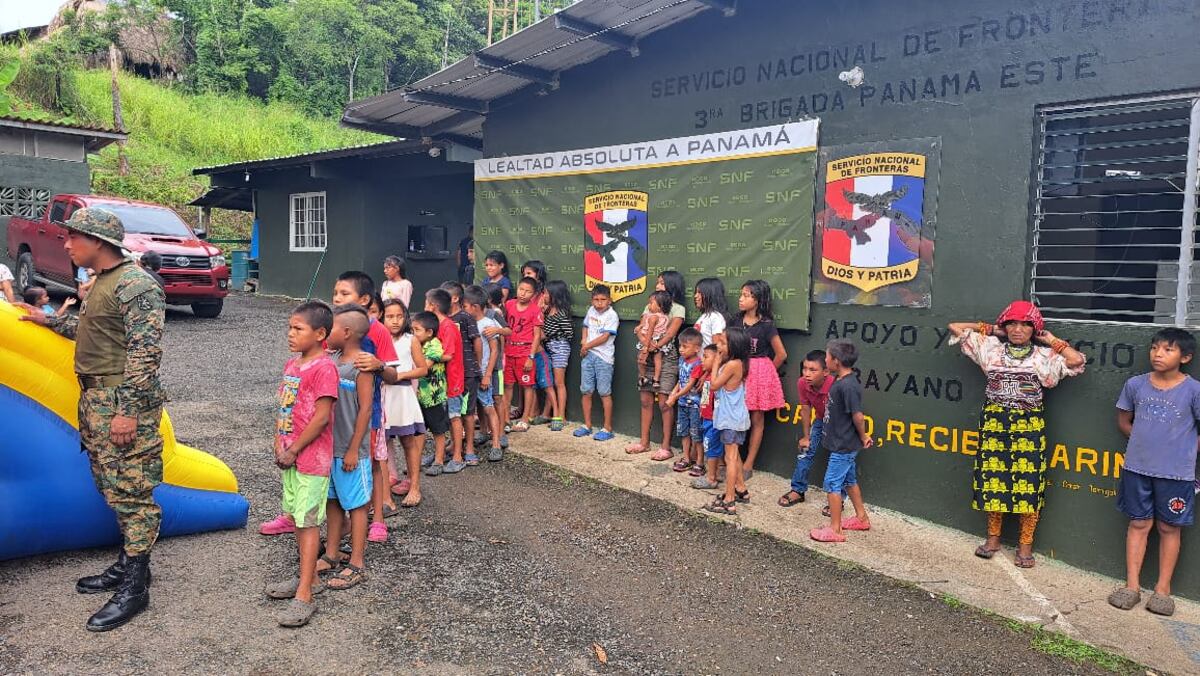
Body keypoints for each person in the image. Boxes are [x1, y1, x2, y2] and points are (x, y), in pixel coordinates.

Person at [17, 207, 166, 631]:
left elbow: (145, 354)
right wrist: (49, 321)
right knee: (111, 483)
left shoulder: (136, 285)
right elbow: (93, 332)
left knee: (132, 490)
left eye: (72, 238)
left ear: (98, 241)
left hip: (120, 401)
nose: (65, 244)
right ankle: (128, 564)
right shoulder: (101, 282)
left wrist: (127, 412)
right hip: (96, 398)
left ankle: (136, 586)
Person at [947, 301, 1085, 567]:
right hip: (995, 425)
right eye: (1012, 324)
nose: (1018, 329)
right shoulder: (990, 350)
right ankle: (993, 540)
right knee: (993, 482)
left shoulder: (1044, 357)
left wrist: (1052, 339)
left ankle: (1025, 548)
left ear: (1034, 329)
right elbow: (955, 327)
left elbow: (1076, 360)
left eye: (1025, 325)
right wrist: (992, 330)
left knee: (1028, 487)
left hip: (1028, 428)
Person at [1108, 328, 1200, 617]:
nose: (1158, 354)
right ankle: (1131, 587)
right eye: (1155, 348)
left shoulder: (1194, 390)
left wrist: (1183, 453)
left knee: (1169, 528)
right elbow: (1124, 421)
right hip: (1137, 469)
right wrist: (1144, 444)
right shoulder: (1135, 384)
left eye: (1168, 350)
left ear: (1185, 357)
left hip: (1176, 475)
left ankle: (1163, 591)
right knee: (1138, 524)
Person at [263, 301, 338, 627]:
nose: (290, 334)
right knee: (296, 517)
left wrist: (294, 449)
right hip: (290, 457)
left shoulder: (325, 368)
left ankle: (305, 593)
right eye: (290, 327)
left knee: (308, 523)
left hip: (311, 460)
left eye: (298, 328)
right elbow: (284, 408)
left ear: (320, 334)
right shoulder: (293, 365)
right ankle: (310, 579)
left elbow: (321, 418)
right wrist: (278, 443)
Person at [320, 305, 375, 592]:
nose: (325, 333)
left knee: (356, 505)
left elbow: (365, 410)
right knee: (332, 501)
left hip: (351, 451)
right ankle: (331, 553)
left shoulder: (361, 366)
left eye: (330, 328)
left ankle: (356, 563)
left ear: (347, 333)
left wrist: (354, 449)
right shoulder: (331, 360)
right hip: (328, 449)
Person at [809, 340, 873, 543]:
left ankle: (835, 530)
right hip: (841, 444)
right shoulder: (840, 381)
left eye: (827, 357)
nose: (825, 359)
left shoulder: (849, 387)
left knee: (832, 483)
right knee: (849, 480)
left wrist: (863, 436)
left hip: (844, 446)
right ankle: (862, 518)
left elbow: (858, 416)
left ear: (836, 361)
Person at [627, 271, 687, 460]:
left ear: (672, 285)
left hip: (667, 358)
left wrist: (654, 346)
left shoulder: (678, 309)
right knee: (645, 400)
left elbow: (670, 334)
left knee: (664, 403)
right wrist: (646, 348)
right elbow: (642, 327)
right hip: (647, 357)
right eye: (658, 283)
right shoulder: (649, 306)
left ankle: (666, 447)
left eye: (662, 283)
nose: (658, 286)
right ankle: (644, 443)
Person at [732, 280, 787, 480]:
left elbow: (781, 354)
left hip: (757, 376)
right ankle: (733, 461)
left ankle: (748, 465)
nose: (741, 299)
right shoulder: (735, 321)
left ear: (758, 300)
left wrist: (765, 374)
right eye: (741, 294)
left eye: (746, 295)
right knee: (734, 417)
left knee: (757, 419)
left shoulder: (766, 325)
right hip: (737, 374)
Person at [380, 298, 428, 508]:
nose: (395, 321)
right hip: (382, 394)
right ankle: (384, 488)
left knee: (409, 442)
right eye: (390, 316)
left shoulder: (411, 340)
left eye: (399, 316)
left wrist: (398, 375)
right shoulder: (377, 339)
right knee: (381, 443)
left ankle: (415, 486)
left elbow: (422, 369)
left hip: (402, 395)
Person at [703, 327, 752, 515]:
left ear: (735, 346)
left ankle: (729, 500)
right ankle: (741, 489)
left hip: (731, 419)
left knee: (729, 458)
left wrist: (715, 361)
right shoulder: (737, 363)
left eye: (723, 343)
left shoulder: (732, 365)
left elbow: (714, 385)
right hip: (734, 417)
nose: (718, 345)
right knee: (735, 455)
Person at [779, 350, 835, 507]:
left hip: (840, 425)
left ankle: (837, 501)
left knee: (839, 460)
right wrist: (806, 436)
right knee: (805, 451)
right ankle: (798, 490)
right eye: (805, 368)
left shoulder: (834, 385)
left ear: (825, 372)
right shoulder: (802, 383)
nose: (807, 374)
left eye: (813, 370)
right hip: (820, 420)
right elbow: (805, 408)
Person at [441, 282, 483, 464]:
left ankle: (470, 449)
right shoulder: (442, 319)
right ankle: (454, 443)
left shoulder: (466, 317)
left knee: (467, 412)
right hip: (449, 373)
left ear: (455, 298)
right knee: (452, 412)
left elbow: (477, 341)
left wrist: (478, 365)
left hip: (467, 372)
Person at [424, 288, 465, 474]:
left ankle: (458, 456)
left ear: (432, 306)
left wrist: (428, 356)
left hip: (453, 379)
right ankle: (441, 453)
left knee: (454, 417)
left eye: (426, 303)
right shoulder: (438, 325)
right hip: (439, 382)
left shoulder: (447, 326)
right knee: (440, 419)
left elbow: (448, 355)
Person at [574, 284, 618, 442]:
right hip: (588, 355)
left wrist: (587, 346)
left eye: (603, 300)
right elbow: (585, 327)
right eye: (596, 300)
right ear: (592, 300)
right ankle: (587, 425)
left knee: (604, 392)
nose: (599, 303)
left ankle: (607, 428)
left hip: (604, 358)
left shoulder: (612, 315)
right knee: (586, 391)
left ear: (609, 301)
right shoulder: (591, 311)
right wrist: (583, 340)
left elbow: (605, 337)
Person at [465, 285, 504, 462]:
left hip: (482, 374)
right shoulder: (469, 323)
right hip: (471, 374)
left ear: (475, 306)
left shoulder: (487, 324)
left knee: (489, 408)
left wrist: (487, 374)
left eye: (465, 306)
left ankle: (496, 443)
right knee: (476, 408)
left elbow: (495, 351)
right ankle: (483, 434)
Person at [503, 277, 544, 433]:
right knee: (507, 385)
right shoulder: (509, 304)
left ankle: (525, 418)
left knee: (527, 386)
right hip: (509, 351)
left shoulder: (535, 310)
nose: (523, 293)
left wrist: (531, 357)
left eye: (528, 291)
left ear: (533, 294)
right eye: (521, 289)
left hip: (525, 352)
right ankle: (505, 418)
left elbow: (537, 336)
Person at [412, 311, 450, 479]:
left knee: (438, 430)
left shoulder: (434, 345)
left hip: (434, 396)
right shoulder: (416, 344)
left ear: (429, 332)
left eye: (417, 330)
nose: (414, 334)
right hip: (419, 395)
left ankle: (439, 461)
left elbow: (424, 367)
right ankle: (415, 461)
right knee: (419, 431)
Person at [667, 328, 704, 473]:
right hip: (682, 403)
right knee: (683, 432)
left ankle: (700, 462)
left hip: (694, 405)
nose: (681, 349)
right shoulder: (682, 360)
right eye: (680, 346)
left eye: (685, 346)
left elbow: (689, 385)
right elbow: (681, 381)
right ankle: (687, 458)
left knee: (696, 434)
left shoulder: (698, 364)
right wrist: (673, 393)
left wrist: (674, 397)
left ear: (696, 349)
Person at [480, 283, 511, 450]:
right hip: (480, 367)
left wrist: (496, 330)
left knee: (498, 398)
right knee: (482, 401)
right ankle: (484, 431)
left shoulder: (494, 314)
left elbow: (508, 330)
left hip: (496, 365)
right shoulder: (471, 316)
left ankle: (500, 434)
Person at [541, 280, 574, 431]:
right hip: (548, 347)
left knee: (559, 383)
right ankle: (547, 414)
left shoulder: (562, 313)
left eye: (546, 293)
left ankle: (561, 416)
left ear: (555, 295)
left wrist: (553, 336)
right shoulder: (547, 311)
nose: (544, 295)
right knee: (550, 382)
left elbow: (569, 334)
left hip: (559, 347)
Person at [689, 344, 722, 489]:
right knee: (711, 448)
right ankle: (715, 473)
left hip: (714, 421)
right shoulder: (707, 377)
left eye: (706, 357)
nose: (702, 360)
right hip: (706, 418)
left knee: (712, 448)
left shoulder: (717, 378)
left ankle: (711, 478)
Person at [635, 291, 672, 391]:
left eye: (651, 303)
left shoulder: (653, 317)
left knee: (641, 359)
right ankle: (656, 379)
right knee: (657, 359)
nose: (649, 305)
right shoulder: (665, 317)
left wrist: (646, 347)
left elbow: (650, 331)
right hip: (657, 341)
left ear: (660, 307)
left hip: (649, 340)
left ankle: (643, 377)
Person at [693, 277, 728, 347]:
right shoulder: (705, 316)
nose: (695, 296)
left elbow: (716, 347)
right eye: (696, 292)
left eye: (699, 293)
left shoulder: (715, 317)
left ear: (711, 294)